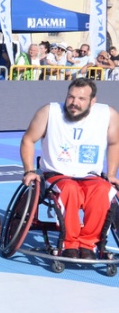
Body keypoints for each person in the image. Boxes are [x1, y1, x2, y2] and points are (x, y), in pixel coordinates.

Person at [21, 78, 119, 259]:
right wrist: (29, 171)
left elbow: (114, 143)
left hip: (91, 176)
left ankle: (88, 244)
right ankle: (70, 243)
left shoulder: (108, 114)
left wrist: (112, 174)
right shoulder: (49, 111)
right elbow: (28, 139)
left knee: (104, 190)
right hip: (57, 174)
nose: (74, 103)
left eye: (82, 99)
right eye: (71, 97)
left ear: (93, 101)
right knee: (70, 189)